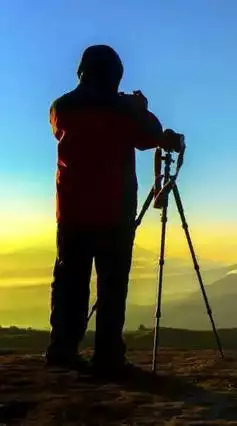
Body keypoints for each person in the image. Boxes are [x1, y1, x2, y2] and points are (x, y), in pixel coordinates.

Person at [45, 45, 184, 373]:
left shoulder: (61, 107)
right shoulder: (123, 111)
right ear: (115, 75)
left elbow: (67, 131)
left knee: (69, 281)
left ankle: (62, 350)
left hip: (72, 211)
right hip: (114, 213)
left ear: (81, 71)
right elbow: (150, 137)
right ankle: (108, 356)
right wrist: (141, 108)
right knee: (112, 284)